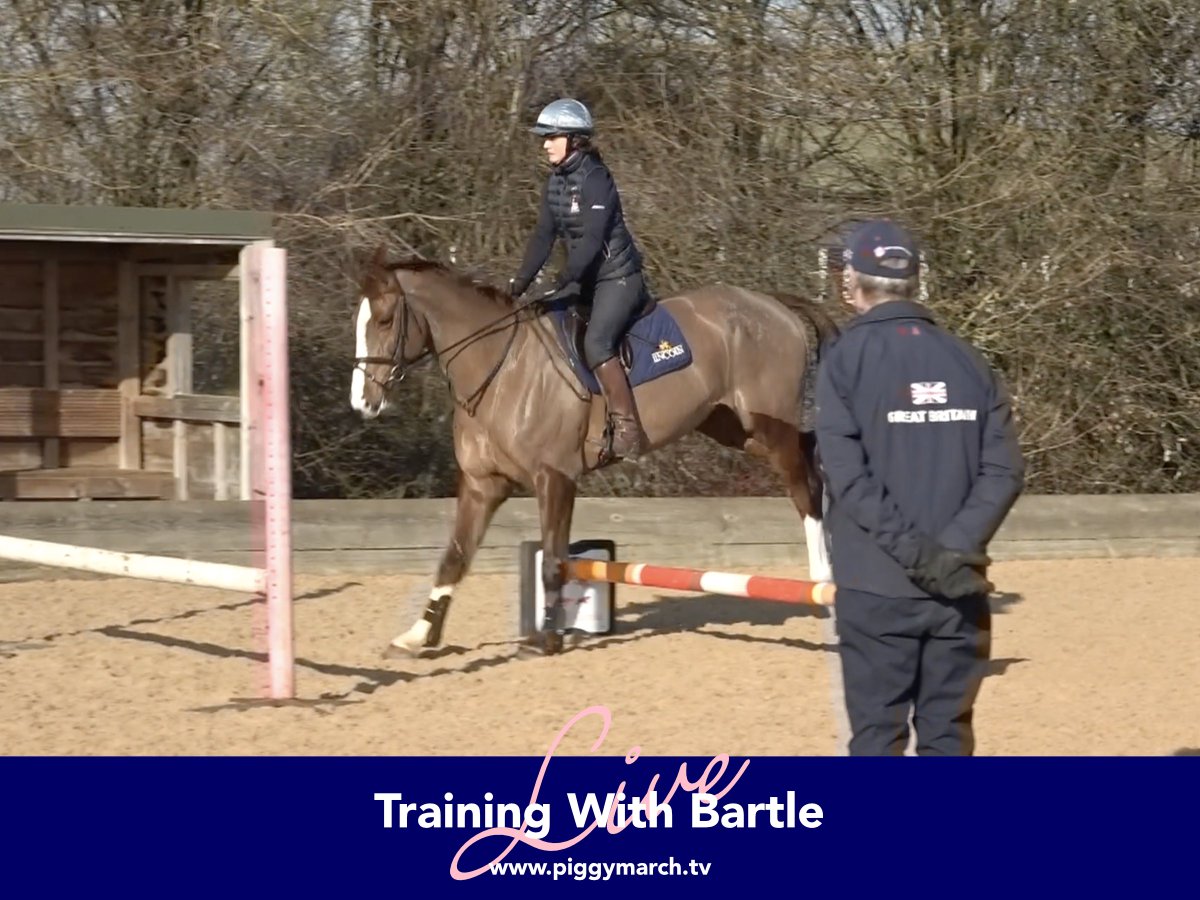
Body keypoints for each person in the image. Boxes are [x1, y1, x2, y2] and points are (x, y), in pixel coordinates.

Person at [813, 219, 1026, 756]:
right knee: (948, 738)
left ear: (852, 283)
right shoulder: (968, 359)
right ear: (913, 281)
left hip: (878, 585)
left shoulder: (843, 361)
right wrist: (953, 550)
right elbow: (1003, 472)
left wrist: (918, 553)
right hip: (959, 587)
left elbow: (846, 476)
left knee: (878, 739)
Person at [508, 97, 650, 461]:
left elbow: (592, 239)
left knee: (598, 343)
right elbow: (543, 236)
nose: (544, 144)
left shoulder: (596, 179)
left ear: (573, 139)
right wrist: (517, 286)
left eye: (551, 136)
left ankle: (627, 429)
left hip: (617, 278)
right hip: (584, 279)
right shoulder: (555, 182)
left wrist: (564, 279)